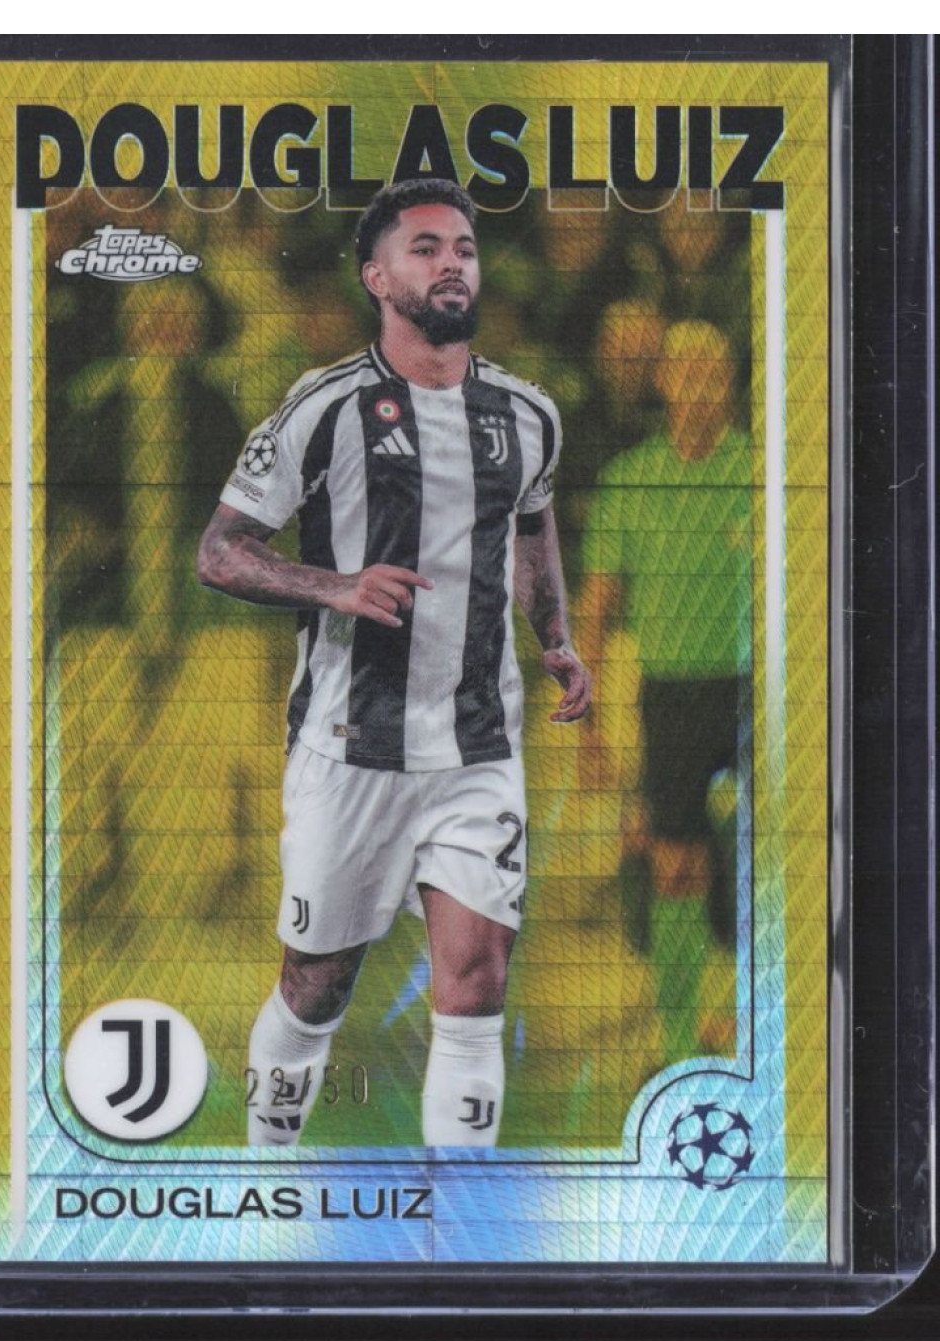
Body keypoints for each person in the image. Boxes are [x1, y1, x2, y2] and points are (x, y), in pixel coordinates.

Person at [197, 179, 592, 1147]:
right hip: (350, 747)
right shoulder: (324, 407)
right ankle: (268, 1169)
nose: (451, 262)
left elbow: (531, 526)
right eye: (425, 248)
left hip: (476, 745)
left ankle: (458, 1214)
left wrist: (554, 635)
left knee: (476, 981)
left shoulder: (527, 413)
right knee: (316, 985)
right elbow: (221, 551)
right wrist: (335, 586)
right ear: (376, 277)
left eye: (463, 247)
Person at [579, 319, 751, 1064]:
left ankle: (738, 1013)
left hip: (750, 692)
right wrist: (587, 723)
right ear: (662, 382)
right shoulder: (629, 479)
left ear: (732, 382)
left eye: (712, 369)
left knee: (754, 854)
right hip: (669, 693)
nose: (698, 384)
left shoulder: (760, 472)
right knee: (675, 863)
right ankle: (672, 1027)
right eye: (684, 370)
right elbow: (597, 606)